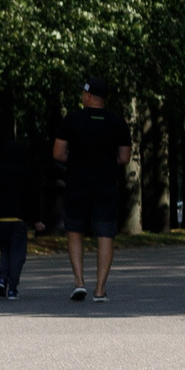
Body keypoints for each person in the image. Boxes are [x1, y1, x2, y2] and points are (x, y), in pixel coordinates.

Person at [53, 77, 133, 304]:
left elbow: (58, 153)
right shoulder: (117, 122)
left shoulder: (72, 119)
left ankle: (79, 282)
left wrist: (76, 160)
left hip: (78, 182)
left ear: (88, 96)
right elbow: (124, 158)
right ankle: (100, 289)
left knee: (75, 230)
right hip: (106, 184)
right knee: (105, 233)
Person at [0, 129, 41, 299]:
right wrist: (36, 219)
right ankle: (12, 287)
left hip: (1, 218)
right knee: (18, 254)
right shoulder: (26, 173)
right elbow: (31, 198)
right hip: (19, 219)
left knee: (5, 251)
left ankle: (2, 279)